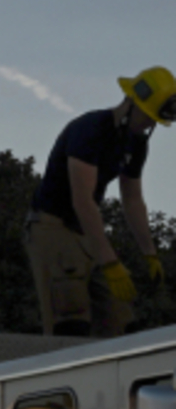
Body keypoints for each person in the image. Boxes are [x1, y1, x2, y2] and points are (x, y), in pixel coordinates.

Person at [26, 65, 176, 337]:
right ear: (131, 101)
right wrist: (109, 262)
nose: (150, 124)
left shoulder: (137, 143)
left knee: (121, 319)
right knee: (71, 319)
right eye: (148, 116)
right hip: (52, 226)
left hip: (85, 232)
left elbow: (132, 199)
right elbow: (82, 201)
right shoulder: (91, 129)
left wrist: (150, 253)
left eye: (156, 120)